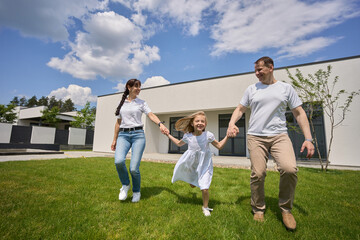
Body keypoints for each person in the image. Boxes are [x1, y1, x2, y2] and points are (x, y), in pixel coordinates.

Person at [227, 56, 315, 230]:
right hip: (256, 136)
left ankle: (286, 209)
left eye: (260, 70)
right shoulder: (252, 89)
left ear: (271, 67)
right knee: (258, 173)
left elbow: (299, 113)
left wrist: (308, 138)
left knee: (290, 169)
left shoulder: (285, 88)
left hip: (279, 136)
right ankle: (258, 208)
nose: (257, 73)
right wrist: (231, 123)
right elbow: (240, 109)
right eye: (255, 71)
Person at [111, 79, 169, 203]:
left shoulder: (141, 103)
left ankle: (136, 191)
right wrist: (114, 139)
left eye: (139, 87)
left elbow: (151, 115)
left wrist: (160, 124)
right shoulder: (122, 103)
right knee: (119, 161)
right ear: (129, 87)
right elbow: (118, 123)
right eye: (136, 86)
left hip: (138, 135)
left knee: (133, 168)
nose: (139, 89)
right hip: (123, 135)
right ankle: (125, 185)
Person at [166, 111, 228, 216]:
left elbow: (219, 146)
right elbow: (178, 143)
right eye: (197, 121)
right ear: (192, 123)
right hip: (192, 163)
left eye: (202, 121)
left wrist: (228, 136)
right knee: (193, 185)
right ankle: (193, 180)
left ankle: (205, 207)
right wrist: (167, 134)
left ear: (205, 124)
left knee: (204, 188)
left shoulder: (208, 135)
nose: (200, 123)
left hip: (205, 164)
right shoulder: (188, 136)